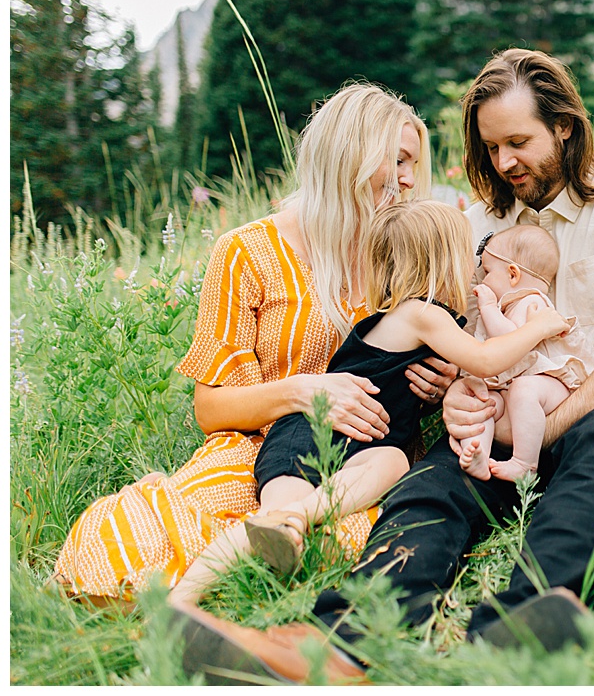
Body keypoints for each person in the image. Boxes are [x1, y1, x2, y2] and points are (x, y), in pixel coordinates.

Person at [175, 49, 594, 684]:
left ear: (564, 126)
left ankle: (525, 627)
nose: (504, 163)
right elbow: (449, 344)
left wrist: (543, 431)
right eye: (492, 147)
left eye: (519, 142)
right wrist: (451, 394)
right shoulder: (471, 226)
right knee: (428, 487)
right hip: (495, 424)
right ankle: (335, 646)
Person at [52, 84, 463, 603]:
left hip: (367, 460)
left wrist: (439, 384)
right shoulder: (247, 252)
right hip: (261, 447)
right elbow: (211, 408)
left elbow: (440, 357)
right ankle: (173, 598)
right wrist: (304, 393)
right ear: (350, 156)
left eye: (414, 164)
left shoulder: (408, 257)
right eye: (399, 160)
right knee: (150, 533)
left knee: (349, 538)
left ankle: (256, 587)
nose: (409, 179)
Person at [168, 201, 570, 607]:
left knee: (391, 462)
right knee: (270, 515)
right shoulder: (422, 314)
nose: (476, 268)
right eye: (469, 255)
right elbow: (486, 360)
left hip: (359, 445)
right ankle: (184, 595)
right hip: (310, 433)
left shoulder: (417, 316)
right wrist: (537, 327)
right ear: (444, 262)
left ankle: (300, 522)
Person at [455, 224, 594, 482]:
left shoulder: (533, 302)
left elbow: (510, 339)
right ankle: (478, 451)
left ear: (512, 274)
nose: (483, 279)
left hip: (551, 387)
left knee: (523, 390)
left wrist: (489, 307)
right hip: (516, 386)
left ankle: (525, 463)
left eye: (488, 272)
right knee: (485, 401)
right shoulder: (511, 306)